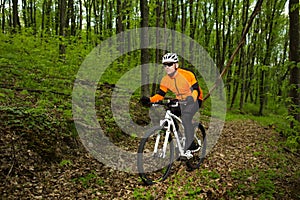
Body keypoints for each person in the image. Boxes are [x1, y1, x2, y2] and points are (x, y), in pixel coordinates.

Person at [140, 52, 203, 159]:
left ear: (176, 65)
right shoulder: (165, 79)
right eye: (165, 65)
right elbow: (160, 95)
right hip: (180, 100)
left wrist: (191, 98)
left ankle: (190, 145)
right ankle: (180, 138)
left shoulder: (187, 74)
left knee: (186, 117)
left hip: (195, 99)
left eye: (170, 64)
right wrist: (149, 100)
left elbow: (195, 90)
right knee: (170, 115)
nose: (167, 67)